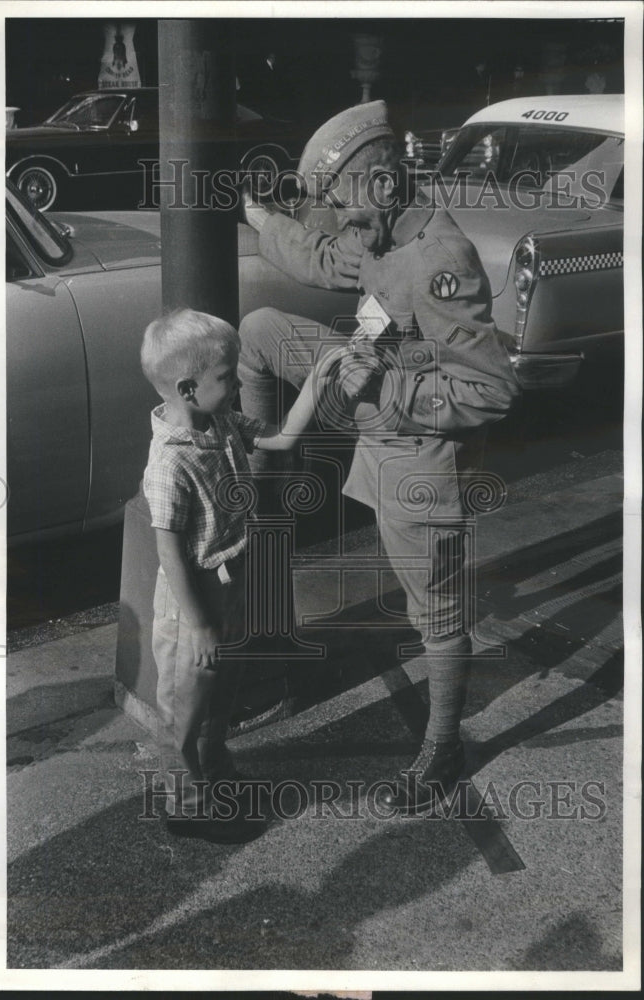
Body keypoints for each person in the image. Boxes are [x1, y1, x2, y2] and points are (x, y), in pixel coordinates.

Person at [239, 100, 522, 812]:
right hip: (370, 407)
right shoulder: (377, 230)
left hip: (419, 456)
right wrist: (263, 219)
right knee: (261, 329)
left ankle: (441, 750)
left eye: (341, 204)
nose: (337, 220)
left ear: (385, 186)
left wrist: (390, 388)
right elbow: (325, 255)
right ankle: (259, 467)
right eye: (331, 206)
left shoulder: (438, 262)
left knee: (435, 612)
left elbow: (491, 390)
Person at [140, 308, 341, 842]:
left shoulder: (220, 421)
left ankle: (216, 772)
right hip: (194, 604)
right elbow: (170, 553)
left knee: (222, 691)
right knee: (187, 704)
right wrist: (201, 625)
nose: (237, 383)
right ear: (188, 388)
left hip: (231, 583)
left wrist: (317, 380)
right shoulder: (169, 463)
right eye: (228, 376)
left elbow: (279, 439)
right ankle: (189, 802)